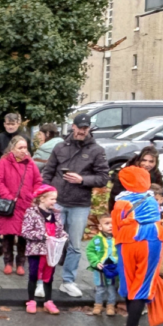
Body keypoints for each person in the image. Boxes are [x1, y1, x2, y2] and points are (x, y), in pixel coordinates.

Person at [111, 166, 163, 326]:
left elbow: (115, 227)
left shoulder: (120, 202)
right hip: (151, 238)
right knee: (142, 284)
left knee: (128, 283)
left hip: (126, 239)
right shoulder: (152, 200)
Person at [40, 113, 110, 298]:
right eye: (79, 127)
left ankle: (68, 281)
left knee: (75, 245)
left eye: (85, 128)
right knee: (51, 242)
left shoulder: (97, 150)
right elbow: (48, 172)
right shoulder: (60, 146)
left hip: (80, 204)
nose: (82, 131)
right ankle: (43, 281)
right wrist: (45, 194)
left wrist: (83, 180)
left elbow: (103, 177)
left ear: (89, 129)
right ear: (73, 126)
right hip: (57, 202)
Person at [0, 133, 39, 277]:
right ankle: (8, 263)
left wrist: (33, 195)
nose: (23, 150)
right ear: (12, 148)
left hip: (26, 205)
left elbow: (38, 180)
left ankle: (20, 264)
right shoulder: (4, 161)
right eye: (20, 147)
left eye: (25, 147)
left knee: (24, 237)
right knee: (8, 236)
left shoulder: (30, 163)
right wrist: (9, 197)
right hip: (9, 206)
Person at [22, 184, 64, 315]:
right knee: (33, 275)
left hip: (51, 252)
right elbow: (25, 232)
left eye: (55, 199)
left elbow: (59, 230)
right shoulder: (31, 213)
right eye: (52, 199)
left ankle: (48, 301)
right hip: (36, 250)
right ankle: (31, 300)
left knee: (49, 276)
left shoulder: (55, 215)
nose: (54, 202)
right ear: (42, 199)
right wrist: (41, 236)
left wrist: (63, 236)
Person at [108, 146, 163, 211]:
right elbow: (115, 196)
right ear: (139, 160)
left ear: (156, 163)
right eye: (144, 160)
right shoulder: (128, 173)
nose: (147, 164)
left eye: (151, 161)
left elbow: (159, 197)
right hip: (126, 211)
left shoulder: (156, 175)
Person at [86, 213, 119, 317]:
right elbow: (90, 251)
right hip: (100, 268)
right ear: (100, 227)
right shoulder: (96, 240)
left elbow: (122, 252)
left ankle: (111, 306)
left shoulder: (119, 238)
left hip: (113, 268)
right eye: (107, 223)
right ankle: (98, 305)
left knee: (112, 288)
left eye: (113, 224)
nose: (111, 226)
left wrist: (118, 261)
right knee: (100, 288)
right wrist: (96, 262)